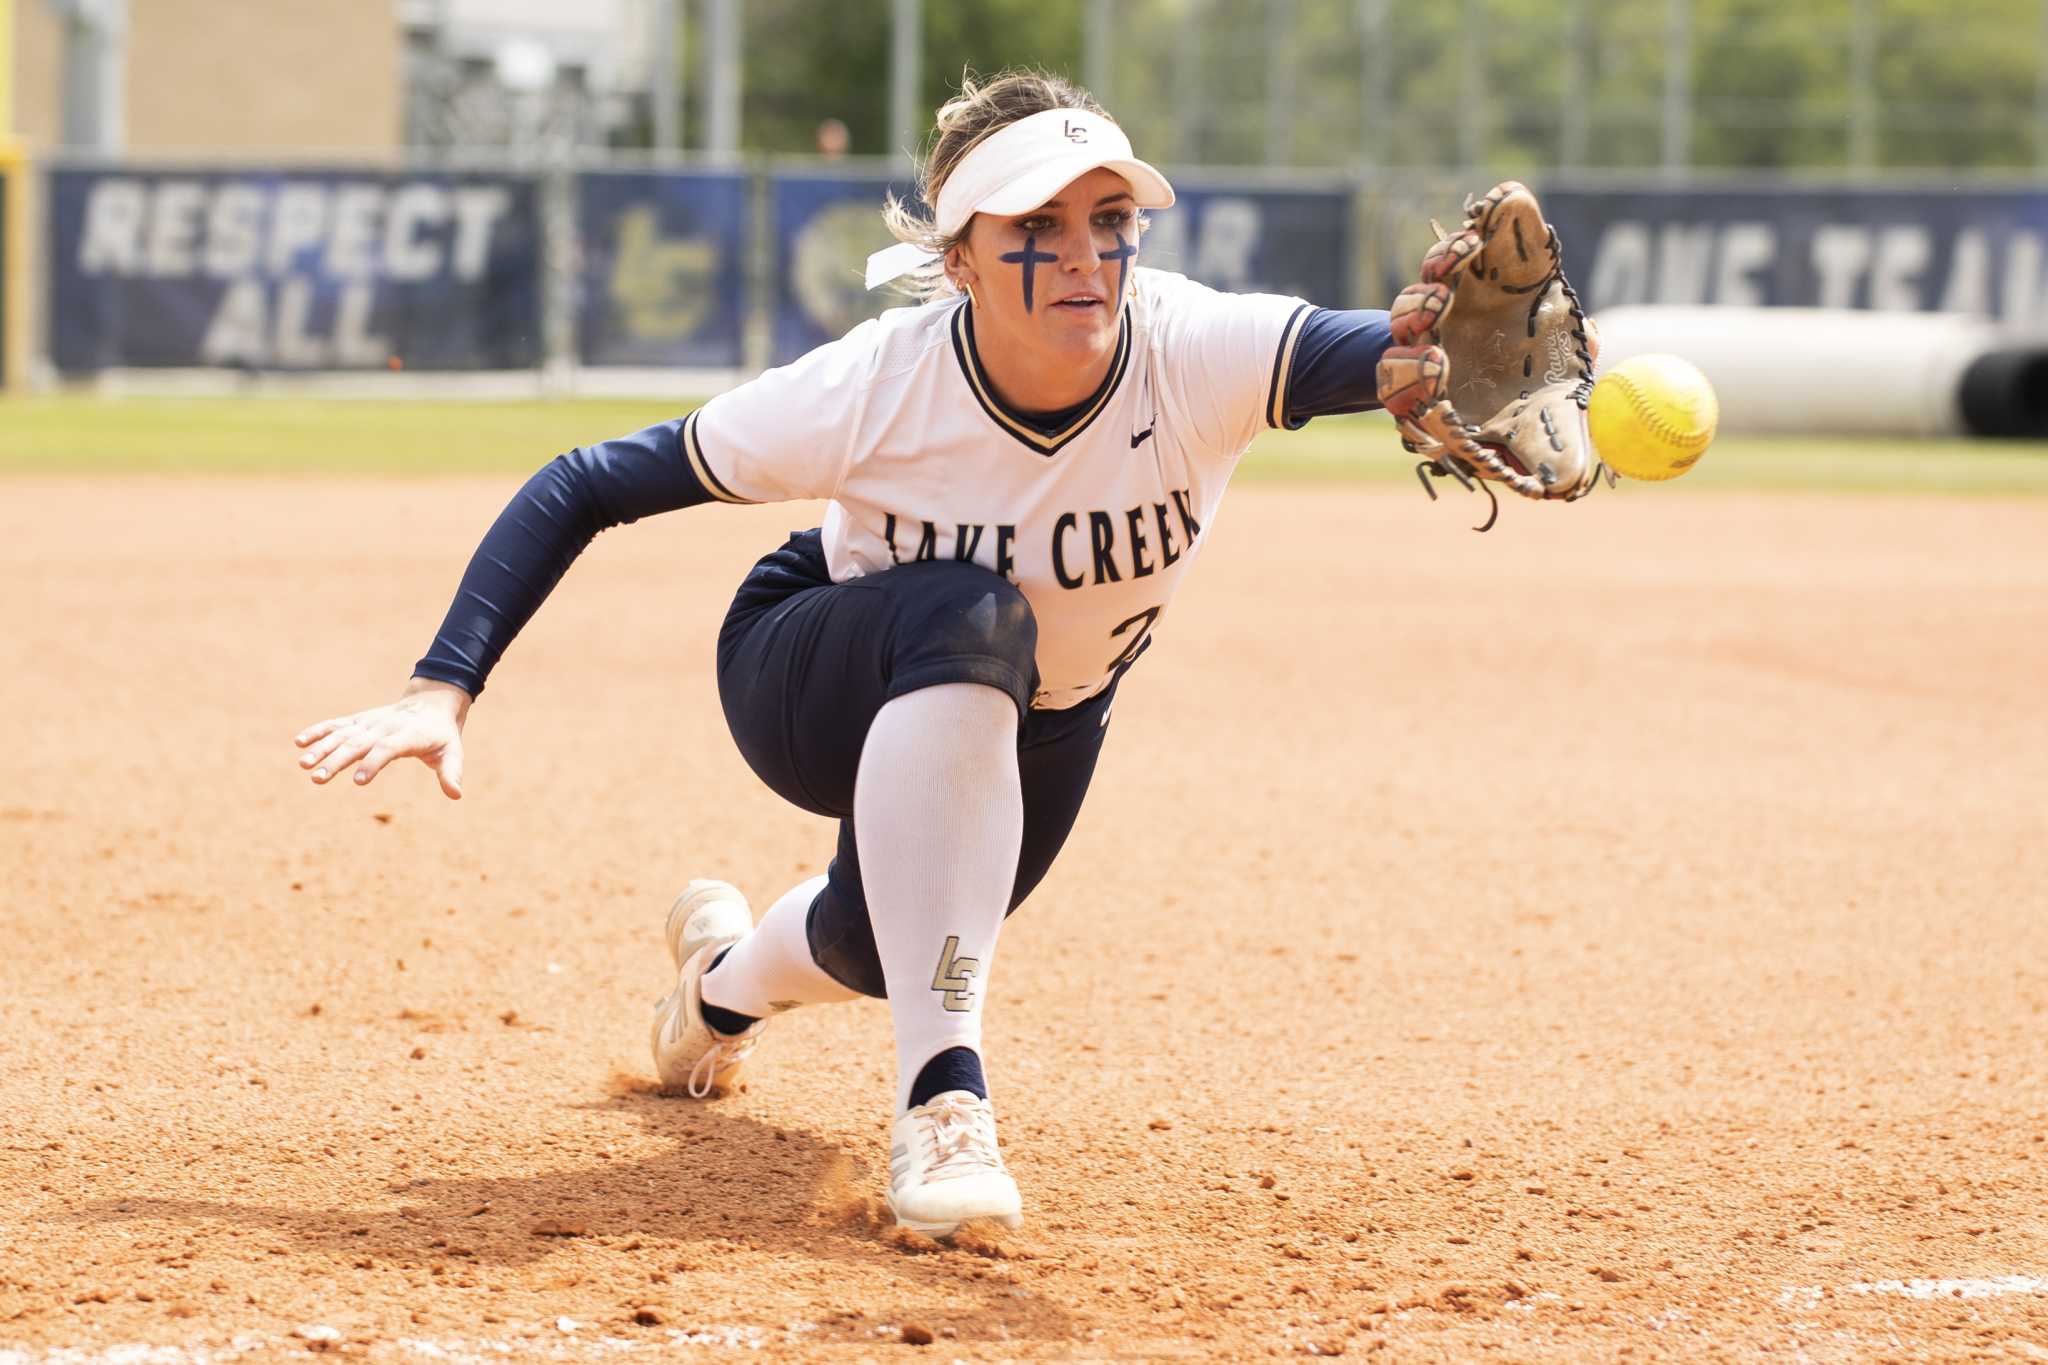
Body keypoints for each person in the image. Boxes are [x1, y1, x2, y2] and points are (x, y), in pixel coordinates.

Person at [292, 69, 1392, 1240]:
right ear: (960, 257)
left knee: (881, 944)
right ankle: (942, 1104)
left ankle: (712, 993)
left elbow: (1394, 353)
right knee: (973, 617)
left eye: (1109, 221)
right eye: (1037, 227)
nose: (1085, 255)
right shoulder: (877, 384)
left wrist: (1474, 361)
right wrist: (440, 685)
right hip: (809, 667)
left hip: (1046, 714)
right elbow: (585, 483)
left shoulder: (1192, 350)